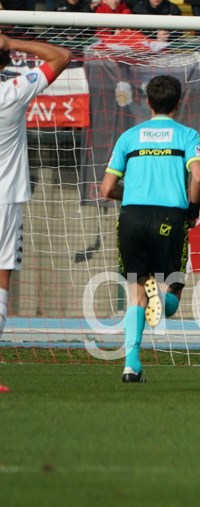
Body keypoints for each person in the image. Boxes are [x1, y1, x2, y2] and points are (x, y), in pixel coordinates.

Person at [99, 75, 200, 384]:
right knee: (172, 288)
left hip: (132, 216)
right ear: (178, 103)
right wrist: (193, 211)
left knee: (136, 293)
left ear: (147, 102)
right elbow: (198, 177)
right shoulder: (187, 135)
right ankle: (164, 299)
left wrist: (133, 192)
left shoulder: (129, 136)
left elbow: (106, 188)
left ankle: (131, 366)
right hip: (170, 217)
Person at [0, 34, 71, 393]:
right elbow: (61, 56)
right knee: (1, 282)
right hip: (4, 200)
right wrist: (12, 40)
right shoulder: (12, 91)